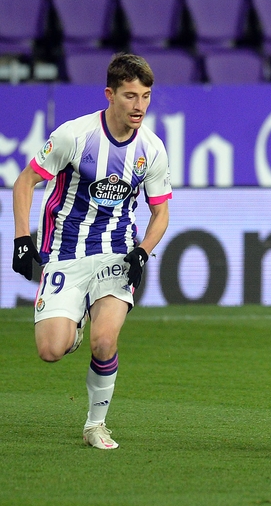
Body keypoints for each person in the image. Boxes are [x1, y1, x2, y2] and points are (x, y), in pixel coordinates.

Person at [11, 53, 171, 450]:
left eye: (146, 96)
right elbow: (25, 183)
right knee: (51, 350)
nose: (139, 106)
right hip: (65, 252)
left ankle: (95, 424)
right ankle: (74, 323)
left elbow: (161, 212)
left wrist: (143, 252)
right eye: (131, 96)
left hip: (116, 253)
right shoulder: (75, 135)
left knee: (106, 340)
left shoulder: (151, 149)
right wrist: (20, 239)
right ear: (110, 94)